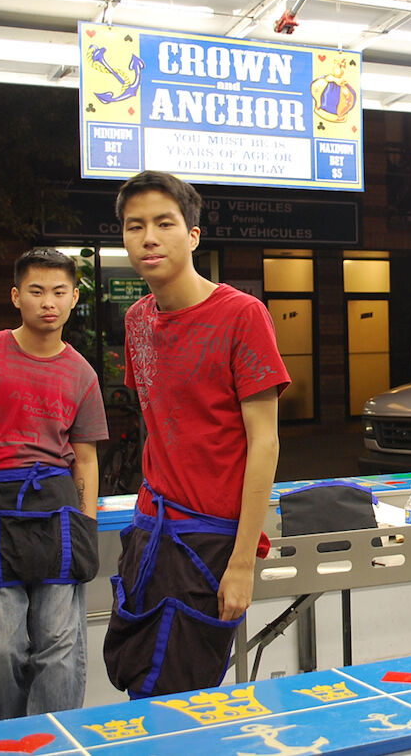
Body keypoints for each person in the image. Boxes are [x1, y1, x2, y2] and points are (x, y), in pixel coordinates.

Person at [103, 171, 289, 698]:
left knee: (182, 695)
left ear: (194, 236)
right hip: (149, 528)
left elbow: (265, 443)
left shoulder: (241, 316)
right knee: (134, 674)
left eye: (165, 223)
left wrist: (242, 562)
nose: (149, 237)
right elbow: (160, 425)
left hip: (210, 540)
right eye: (134, 226)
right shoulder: (138, 320)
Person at [0, 247, 107, 719]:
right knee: (0, 647)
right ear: (16, 296)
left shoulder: (82, 374)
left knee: (58, 642)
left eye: (58, 292)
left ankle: (53, 742)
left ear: (75, 298)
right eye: (36, 291)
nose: (47, 302)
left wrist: (87, 523)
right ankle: (14, 736)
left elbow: (86, 459)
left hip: (56, 515)